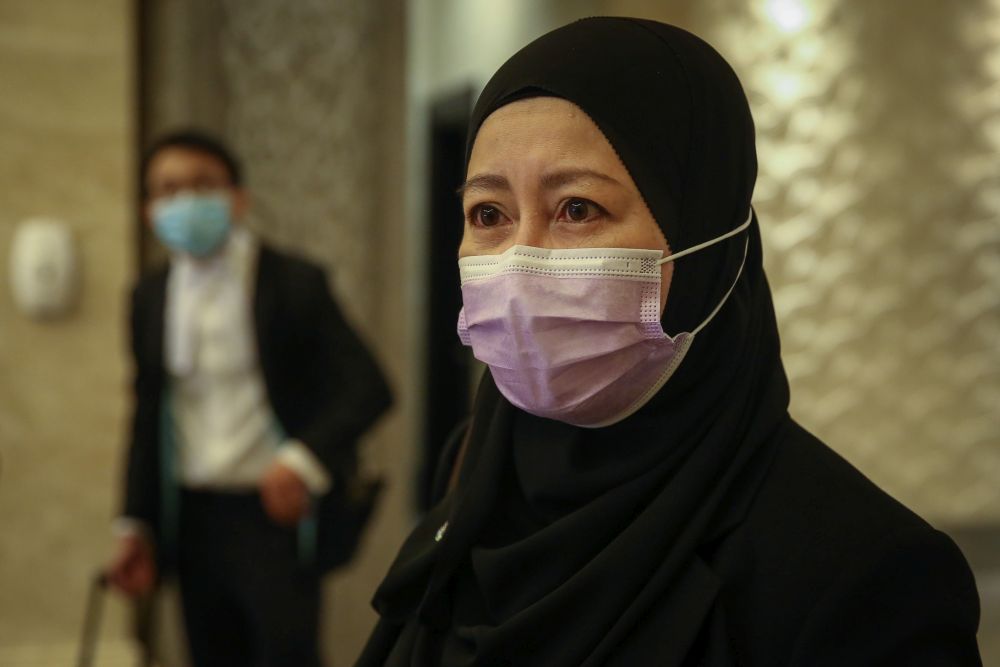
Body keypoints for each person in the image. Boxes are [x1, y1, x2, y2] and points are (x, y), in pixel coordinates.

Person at [356, 17, 982, 667]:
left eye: (577, 208)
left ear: (706, 239)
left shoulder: (867, 577)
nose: (519, 265)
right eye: (489, 214)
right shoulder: (477, 471)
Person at [107, 130, 392, 666]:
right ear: (148, 210)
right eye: (167, 190)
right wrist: (133, 525)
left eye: (201, 185)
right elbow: (147, 416)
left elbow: (369, 387)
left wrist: (300, 460)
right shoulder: (148, 296)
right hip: (190, 516)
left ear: (237, 198)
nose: (184, 202)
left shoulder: (294, 282)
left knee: (287, 656)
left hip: (274, 517)